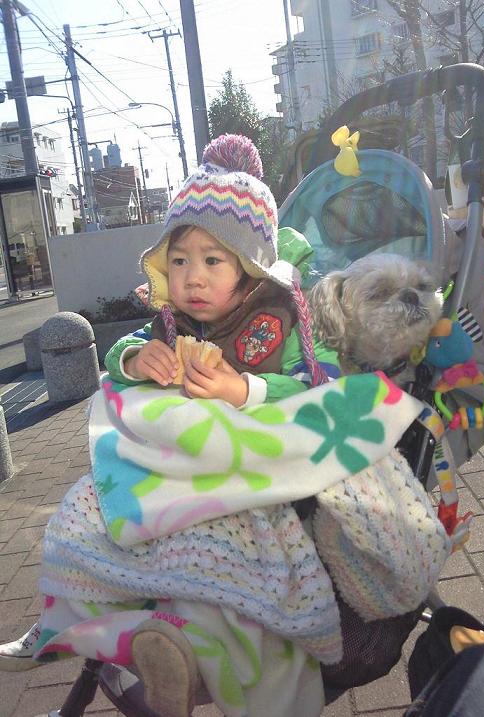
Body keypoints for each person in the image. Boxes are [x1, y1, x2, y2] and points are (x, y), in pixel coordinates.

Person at [0, 134, 343, 717]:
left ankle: (183, 650)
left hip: (243, 482)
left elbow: (321, 385)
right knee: (83, 510)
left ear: (251, 269)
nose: (193, 278)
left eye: (213, 261)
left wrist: (245, 389)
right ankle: (70, 614)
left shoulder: (282, 319)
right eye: (179, 261)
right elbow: (119, 355)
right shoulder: (171, 322)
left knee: (219, 560)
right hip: (166, 474)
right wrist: (137, 359)